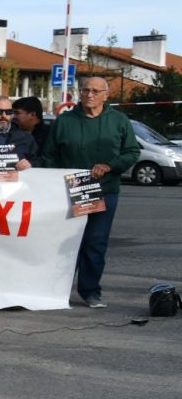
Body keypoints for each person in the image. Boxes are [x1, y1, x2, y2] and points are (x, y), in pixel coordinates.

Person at [43, 77, 141, 308]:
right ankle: (58, 291)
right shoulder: (64, 121)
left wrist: (111, 165)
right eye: (85, 90)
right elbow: (49, 154)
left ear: (106, 95)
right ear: (79, 92)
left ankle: (90, 291)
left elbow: (132, 152)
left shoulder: (119, 121)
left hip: (105, 190)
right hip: (70, 189)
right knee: (65, 243)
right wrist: (55, 179)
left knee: (95, 242)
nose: (90, 94)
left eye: (96, 91)